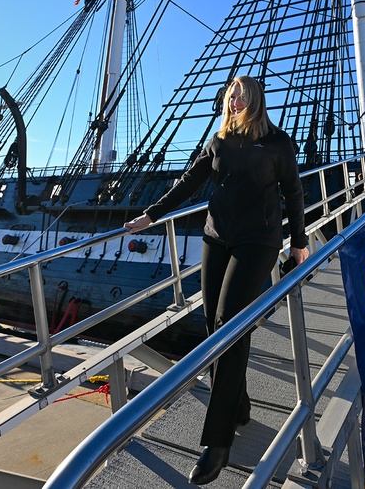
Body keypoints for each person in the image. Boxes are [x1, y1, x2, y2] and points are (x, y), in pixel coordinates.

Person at [124, 75, 309, 485]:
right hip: (217, 236)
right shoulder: (219, 141)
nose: (236, 99)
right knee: (212, 323)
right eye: (231, 94)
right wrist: (151, 214)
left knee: (230, 326)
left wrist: (299, 243)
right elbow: (190, 181)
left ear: (255, 100)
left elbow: (294, 192)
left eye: (242, 94)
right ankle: (238, 403)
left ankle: (218, 441)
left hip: (257, 241)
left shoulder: (277, 143)